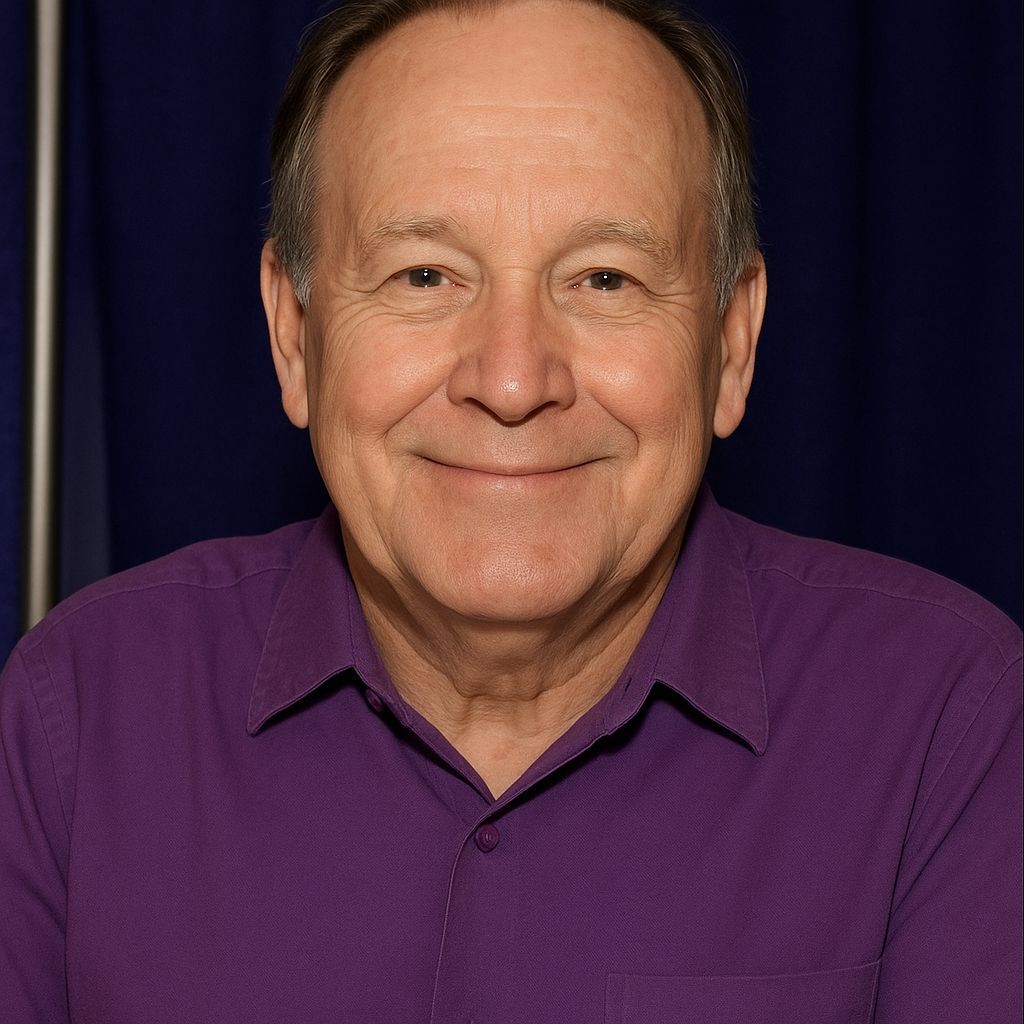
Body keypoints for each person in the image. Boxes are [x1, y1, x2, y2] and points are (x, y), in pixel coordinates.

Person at [1, 0, 1020, 1020]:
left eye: (604, 278)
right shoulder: (77, 716)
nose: (512, 376)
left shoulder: (949, 725)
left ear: (733, 343)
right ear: (294, 335)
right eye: (425, 274)